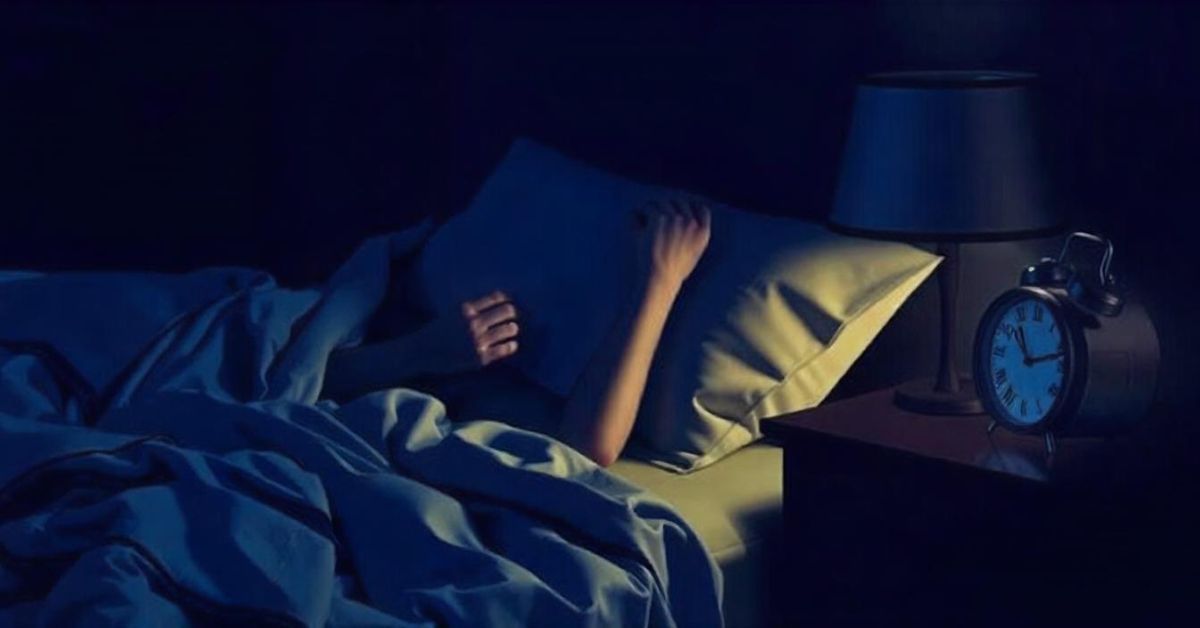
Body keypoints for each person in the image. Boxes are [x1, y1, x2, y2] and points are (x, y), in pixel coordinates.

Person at [324, 199, 711, 467]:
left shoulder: (530, 392)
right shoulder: (392, 286)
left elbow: (585, 450)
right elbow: (298, 370)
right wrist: (423, 349)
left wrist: (659, 281)